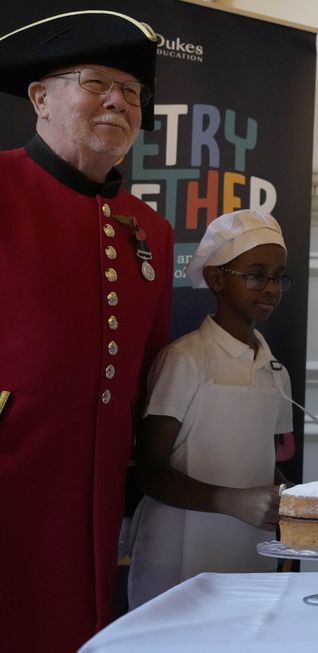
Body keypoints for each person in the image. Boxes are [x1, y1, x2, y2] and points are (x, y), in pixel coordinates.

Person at [0, 11, 173, 652]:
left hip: (95, 490)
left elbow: (146, 369)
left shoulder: (147, 228)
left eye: (132, 91)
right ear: (41, 97)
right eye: (97, 81)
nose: (118, 101)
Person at [128, 210, 299, 608]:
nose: (271, 288)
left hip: (248, 548)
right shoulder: (185, 360)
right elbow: (150, 473)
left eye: (278, 276)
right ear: (217, 278)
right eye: (256, 274)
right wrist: (231, 501)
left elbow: (259, 457)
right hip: (177, 553)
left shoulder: (274, 369)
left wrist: (291, 498)